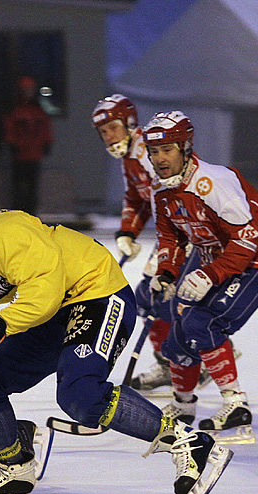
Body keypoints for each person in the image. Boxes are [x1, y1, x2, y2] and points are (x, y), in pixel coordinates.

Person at [0, 164, 232, 494]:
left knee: (80, 393)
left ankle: (186, 442)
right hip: (55, 311)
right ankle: (14, 468)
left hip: (95, 293)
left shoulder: (1, 231)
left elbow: (43, 290)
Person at [143, 111, 258, 443]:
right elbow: (171, 237)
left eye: (167, 149)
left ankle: (235, 404)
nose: (160, 159)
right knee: (176, 337)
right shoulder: (163, 191)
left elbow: (249, 237)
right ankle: (184, 405)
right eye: (154, 152)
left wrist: (211, 274)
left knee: (203, 323)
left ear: (186, 147)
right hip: (217, 260)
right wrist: (166, 272)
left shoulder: (212, 182)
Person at [91, 94, 236, 396]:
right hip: (172, 234)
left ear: (128, 122)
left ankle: (195, 356)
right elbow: (136, 197)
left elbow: (168, 199)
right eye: (103, 131)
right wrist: (127, 232)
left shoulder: (147, 151)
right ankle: (174, 361)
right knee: (151, 297)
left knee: (153, 295)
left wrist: (176, 241)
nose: (108, 136)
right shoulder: (130, 156)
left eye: (112, 128)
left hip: (184, 234)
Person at [2, 76, 53, 215]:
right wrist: (12, 144)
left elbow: (45, 128)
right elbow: (10, 128)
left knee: (32, 186)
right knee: (18, 186)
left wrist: (47, 143)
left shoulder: (38, 109)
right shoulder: (15, 109)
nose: (27, 92)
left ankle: (30, 213)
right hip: (20, 153)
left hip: (34, 153)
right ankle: (18, 212)